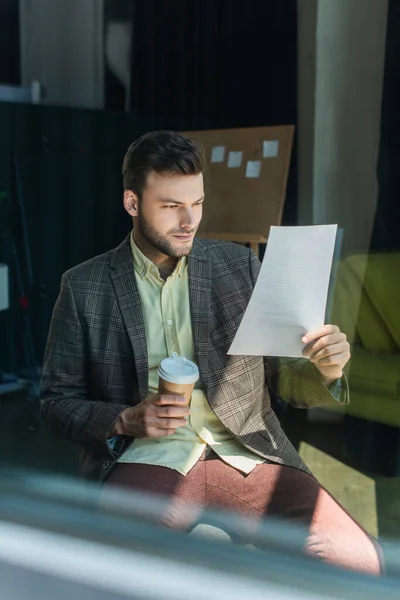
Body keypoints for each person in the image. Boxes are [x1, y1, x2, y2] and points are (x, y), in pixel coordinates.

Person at [40, 130, 382, 576]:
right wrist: (124, 419)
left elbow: (285, 381)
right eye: (171, 206)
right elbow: (54, 401)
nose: (189, 220)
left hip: (245, 452)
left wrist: (329, 370)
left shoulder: (238, 266)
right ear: (132, 203)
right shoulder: (85, 286)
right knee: (118, 572)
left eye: (197, 203)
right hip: (146, 453)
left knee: (362, 565)